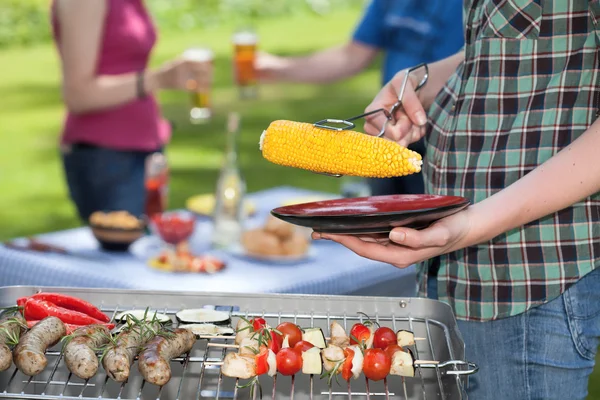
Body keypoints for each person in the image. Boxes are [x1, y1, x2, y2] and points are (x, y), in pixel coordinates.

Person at [312, 1, 600, 399]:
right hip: (453, 280)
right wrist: (422, 81)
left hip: (529, 285)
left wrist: (472, 223)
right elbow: (522, 42)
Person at [255, 0, 464, 196]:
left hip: (452, 136)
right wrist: (280, 68)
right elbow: (352, 55)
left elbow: (478, 62)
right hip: (391, 131)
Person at [51, 0, 212, 221]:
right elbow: (78, 94)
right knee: (122, 252)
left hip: (146, 148)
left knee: (150, 247)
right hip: (106, 156)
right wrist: (159, 78)